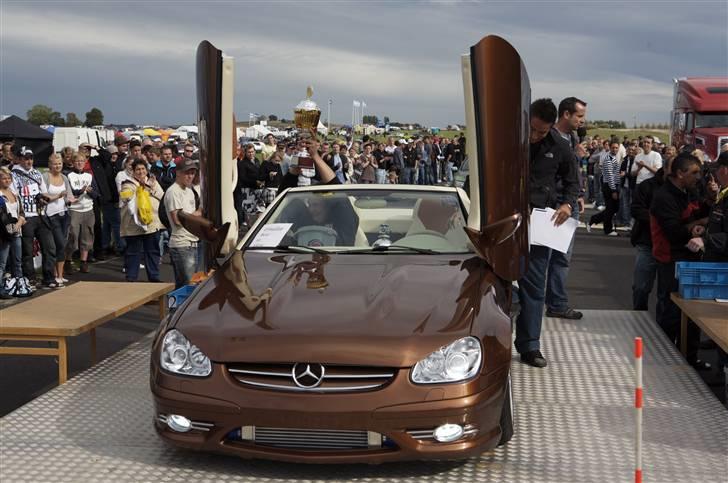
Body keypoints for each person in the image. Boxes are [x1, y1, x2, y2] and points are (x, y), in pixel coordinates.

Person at [516, 98, 578, 368]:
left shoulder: (561, 147)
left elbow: (574, 181)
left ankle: (530, 346)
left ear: (552, 126)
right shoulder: (509, 139)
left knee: (535, 287)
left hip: (540, 224)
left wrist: (566, 203)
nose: (535, 136)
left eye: (542, 132)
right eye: (532, 129)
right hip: (507, 220)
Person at [650, 152, 711, 369]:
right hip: (671, 260)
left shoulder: (688, 192)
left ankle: (689, 359)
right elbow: (674, 231)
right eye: (694, 172)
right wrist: (698, 224)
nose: (699, 177)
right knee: (671, 313)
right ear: (679, 173)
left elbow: (698, 214)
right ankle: (664, 361)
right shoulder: (664, 197)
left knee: (691, 312)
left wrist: (709, 204)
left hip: (690, 258)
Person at [545, 96, 587, 320]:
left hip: (569, 201)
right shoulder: (550, 138)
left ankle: (556, 302)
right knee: (549, 256)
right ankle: (553, 302)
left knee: (562, 257)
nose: (582, 121)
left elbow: (572, 173)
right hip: (556, 203)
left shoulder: (571, 137)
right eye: (579, 116)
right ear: (566, 114)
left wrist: (577, 195)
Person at [630, 155, 672, 311]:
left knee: (666, 292)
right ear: (666, 168)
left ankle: (662, 327)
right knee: (641, 287)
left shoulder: (684, 189)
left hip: (671, 246)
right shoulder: (647, 186)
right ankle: (639, 316)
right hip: (647, 243)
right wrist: (658, 219)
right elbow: (635, 209)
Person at [11, 148, 57, 289]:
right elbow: (14, 196)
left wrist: (43, 199)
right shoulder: (14, 175)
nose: (29, 161)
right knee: (27, 250)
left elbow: (44, 192)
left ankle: (48, 277)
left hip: (41, 215)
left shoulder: (37, 173)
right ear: (19, 159)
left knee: (49, 247)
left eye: (31, 158)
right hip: (26, 217)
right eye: (26, 158)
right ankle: (30, 278)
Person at [119, 159, 164, 282]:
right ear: (133, 171)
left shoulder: (153, 182)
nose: (141, 172)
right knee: (133, 253)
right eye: (138, 169)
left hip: (152, 224)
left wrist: (150, 186)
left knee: (152, 252)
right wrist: (140, 189)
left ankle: (154, 277)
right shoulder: (127, 184)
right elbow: (125, 197)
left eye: (143, 169)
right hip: (134, 226)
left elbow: (161, 196)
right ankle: (131, 278)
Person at [165, 158, 201, 288]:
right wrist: (198, 214)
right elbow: (178, 220)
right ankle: (175, 309)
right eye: (187, 173)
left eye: (193, 173)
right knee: (186, 286)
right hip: (181, 245)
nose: (190, 176)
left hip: (192, 242)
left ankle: (177, 308)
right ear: (178, 173)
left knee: (189, 286)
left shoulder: (189, 191)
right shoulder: (173, 191)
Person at [686, 151, 728, 261]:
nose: (715, 174)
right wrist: (706, 231)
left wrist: (706, 240)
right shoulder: (723, 193)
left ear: (724, 170)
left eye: (716, 169)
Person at [66, 153, 100, 274]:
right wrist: (81, 191)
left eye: (82, 161)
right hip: (75, 210)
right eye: (77, 161)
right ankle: (68, 260)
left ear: (85, 162)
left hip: (88, 209)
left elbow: (96, 194)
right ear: (73, 163)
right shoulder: (69, 176)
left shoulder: (89, 176)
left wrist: (90, 192)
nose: (80, 163)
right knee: (72, 236)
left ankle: (83, 261)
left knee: (87, 236)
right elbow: (70, 193)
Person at [42, 154, 72, 285]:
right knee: (58, 244)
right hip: (51, 215)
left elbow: (68, 195)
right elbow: (44, 196)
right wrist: (59, 195)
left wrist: (70, 200)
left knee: (62, 245)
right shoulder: (45, 177)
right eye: (55, 164)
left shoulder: (64, 177)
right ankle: (53, 274)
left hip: (64, 214)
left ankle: (60, 274)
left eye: (59, 163)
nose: (58, 166)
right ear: (50, 165)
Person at [0, 166, 28, 298]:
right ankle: (0, 288)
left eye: (8, 178)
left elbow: (22, 213)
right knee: (2, 263)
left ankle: (19, 285)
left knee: (17, 260)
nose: (6, 180)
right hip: (4, 234)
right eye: (3, 178)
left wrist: (18, 223)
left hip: (17, 232)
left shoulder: (15, 194)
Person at [587, 140, 621, 236]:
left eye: (616, 147)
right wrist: (614, 190)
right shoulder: (608, 159)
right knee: (611, 209)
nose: (615, 149)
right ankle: (608, 230)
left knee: (613, 209)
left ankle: (594, 219)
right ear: (609, 148)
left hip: (612, 185)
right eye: (613, 147)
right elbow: (610, 176)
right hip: (610, 186)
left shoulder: (613, 158)